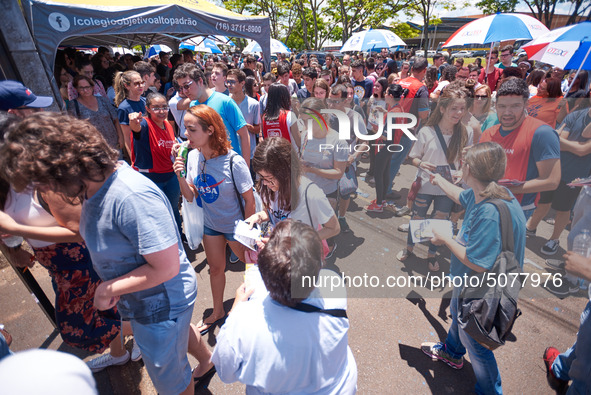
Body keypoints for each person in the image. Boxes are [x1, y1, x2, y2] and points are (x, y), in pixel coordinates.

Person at [0, 112, 213, 395]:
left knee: (171, 381)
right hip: (148, 304)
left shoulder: (128, 197)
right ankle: (207, 361)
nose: (43, 190)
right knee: (173, 359)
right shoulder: (94, 189)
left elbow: (166, 267)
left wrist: (107, 288)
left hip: (161, 305)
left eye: (42, 180)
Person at [421, 141, 526, 395]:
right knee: (458, 313)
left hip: (481, 289)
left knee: (478, 346)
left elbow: (478, 263)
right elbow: (460, 195)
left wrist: (445, 238)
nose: (461, 165)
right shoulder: (490, 191)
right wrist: (437, 180)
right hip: (469, 284)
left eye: (464, 162)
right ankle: (453, 352)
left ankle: (489, 391)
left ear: (470, 170)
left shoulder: (489, 211)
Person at [211, 219, 357, 394]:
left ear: (265, 277)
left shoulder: (243, 321)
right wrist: (278, 254)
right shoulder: (334, 286)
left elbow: (226, 373)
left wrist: (235, 310)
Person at [174, 105, 255, 335]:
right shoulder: (195, 157)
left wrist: (247, 232)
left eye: (191, 129)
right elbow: (191, 196)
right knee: (215, 270)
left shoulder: (234, 161)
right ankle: (218, 311)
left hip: (236, 228)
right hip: (211, 227)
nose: (185, 135)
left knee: (251, 271)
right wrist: (179, 176)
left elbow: (249, 200)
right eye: (185, 129)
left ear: (210, 130)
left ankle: (253, 310)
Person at [397, 85, 473, 271]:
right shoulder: (427, 132)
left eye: (462, 108)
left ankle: (431, 255)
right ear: (442, 108)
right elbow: (413, 157)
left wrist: (462, 171)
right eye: (454, 108)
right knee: (417, 218)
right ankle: (409, 249)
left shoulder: (466, 132)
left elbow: (467, 161)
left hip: (448, 188)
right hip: (425, 184)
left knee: (441, 221)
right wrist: (421, 164)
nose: (458, 113)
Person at [480, 78, 561, 220]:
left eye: (515, 106)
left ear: (526, 104)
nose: (507, 112)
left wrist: (504, 190)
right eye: (502, 106)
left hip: (518, 208)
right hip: (485, 202)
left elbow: (551, 180)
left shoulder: (542, 133)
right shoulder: (488, 132)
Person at [526, 101, 591, 256]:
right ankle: (531, 227)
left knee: (563, 209)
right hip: (555, 167)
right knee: (543, 201)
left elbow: (582, 150)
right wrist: (571, 144)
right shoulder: (576, 115)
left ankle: (554, 239)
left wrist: (564, 142)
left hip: (575, 175)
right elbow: (557, 141)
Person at [245, 137, 339, 243]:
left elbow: (333, 228)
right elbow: (273, 212)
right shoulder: (268, 187)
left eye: (269, 178)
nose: (265, 183)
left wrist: (298, 241)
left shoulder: (311, 194)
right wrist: (259, 216)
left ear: (285, 171)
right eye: (262, 177)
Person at [174, 64, 251, 168]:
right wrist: (185, 144)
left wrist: (245, 168)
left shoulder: (225, 102)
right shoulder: (193, 105)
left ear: (200, 81)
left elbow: (244, 135)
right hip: (205, 167)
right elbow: (201, 136)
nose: (184, 91)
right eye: (181, 88)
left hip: (228, 167)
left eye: (187, 86)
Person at [127, 93, 182, 235]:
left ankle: (178, 235)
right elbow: (136, 128)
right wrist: (133, 121)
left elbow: (172, 144)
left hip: (170, 176)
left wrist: (176, 147)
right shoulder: (144, 124)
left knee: (173, 208)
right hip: (151, 179)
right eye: (156, 108)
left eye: (164, 107)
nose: (162, 111)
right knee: (156, 213)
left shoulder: (168, 125)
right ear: (148, 109)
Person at [299, 97, 347, 256]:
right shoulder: (305, 135)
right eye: (304, 121)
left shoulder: (338, 141)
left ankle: (329, 250)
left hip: (327, 194)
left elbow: (338, 173)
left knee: (328, 231)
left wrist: (313, 170)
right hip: (306, 192)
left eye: (309, 121)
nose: (306, 125)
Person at [365, 84, 407, 212]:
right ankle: (382, 200)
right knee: (385, 173)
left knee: (379, 175)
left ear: (390, 96)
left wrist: (374, 128)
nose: (385, 94)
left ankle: (378, 204)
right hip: (392, 147)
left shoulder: (392, 114)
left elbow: (385, 136)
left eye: (387, 92)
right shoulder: (398, 109)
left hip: (384, 147)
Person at [68, 75, 124, 152]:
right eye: (81, 88)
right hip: (94, 147)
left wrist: (121, 137)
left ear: (92, 87)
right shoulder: (74, 105)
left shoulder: (103, 100)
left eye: (87, 87)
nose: (85, 90)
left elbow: (115, 120)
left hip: (113, 143)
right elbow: (74, 128)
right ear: (76, 89)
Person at [228, 69, 261, 169]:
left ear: (242, 83)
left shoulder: (254, 104)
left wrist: (247, 128)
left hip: (248, 155)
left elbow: (258, 129)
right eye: (227, 82)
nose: (229, 85)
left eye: (232, 82)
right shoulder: (225, 102)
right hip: (229, 153)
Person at [114, 70, 147, 159]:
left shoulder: (146, 101)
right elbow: (126, 137)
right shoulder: (124, 108)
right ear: (127, 86)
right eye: (136, 83)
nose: (141, 86)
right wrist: (133, 158)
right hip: (138, 150)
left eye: (142, 82)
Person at [261, 83, 301, 151]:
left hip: (271, 157)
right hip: (289, 157)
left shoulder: (264, 118)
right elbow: (299, 142)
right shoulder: (289, 116)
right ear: (284, 97)